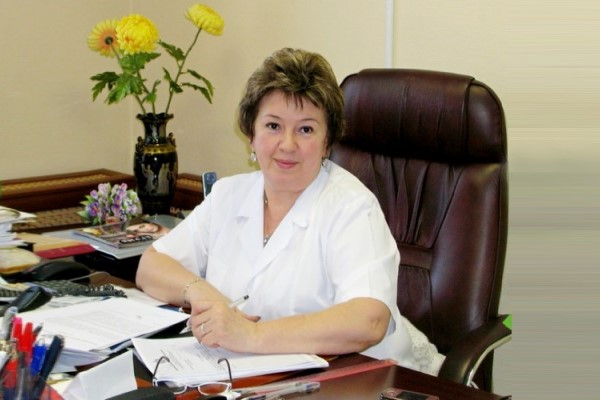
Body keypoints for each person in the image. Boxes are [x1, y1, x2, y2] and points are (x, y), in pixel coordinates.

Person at [136, 48, 440, 373]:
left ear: (327, 142)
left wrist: (249, 334)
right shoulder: (229, 195)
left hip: (363, 379)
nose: (288, 145)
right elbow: (150, 266)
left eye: (306, 129)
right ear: (251, 134)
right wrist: (202, 294)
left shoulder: (352, 207)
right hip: (255, 375)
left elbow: (369, 321)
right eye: (273, 126)